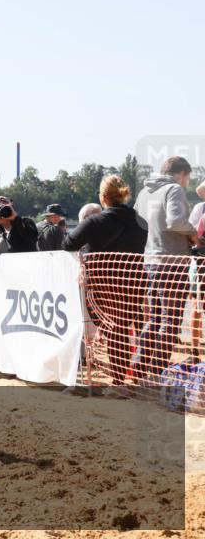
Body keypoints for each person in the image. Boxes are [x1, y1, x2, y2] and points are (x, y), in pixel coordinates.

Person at [63, 175, 148, 386]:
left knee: (113, 332)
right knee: (125, 329)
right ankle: (132, 376)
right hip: (134, 283)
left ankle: (119, 382)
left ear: (103, 197)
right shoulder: (141, 222)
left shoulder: (95, 221)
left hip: (104, 284)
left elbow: (68, 243)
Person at [133, 156, 198, 381]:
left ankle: (139, 368)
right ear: (182, 173)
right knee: (171, 320)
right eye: (187, 178)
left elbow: (139, 224)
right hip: (172, 262)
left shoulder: (143, 193)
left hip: (150, 260)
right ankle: (159, 372)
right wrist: (193, 233)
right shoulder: (174, 189)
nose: (187, 182)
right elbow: (176, 222)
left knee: (155, 318)